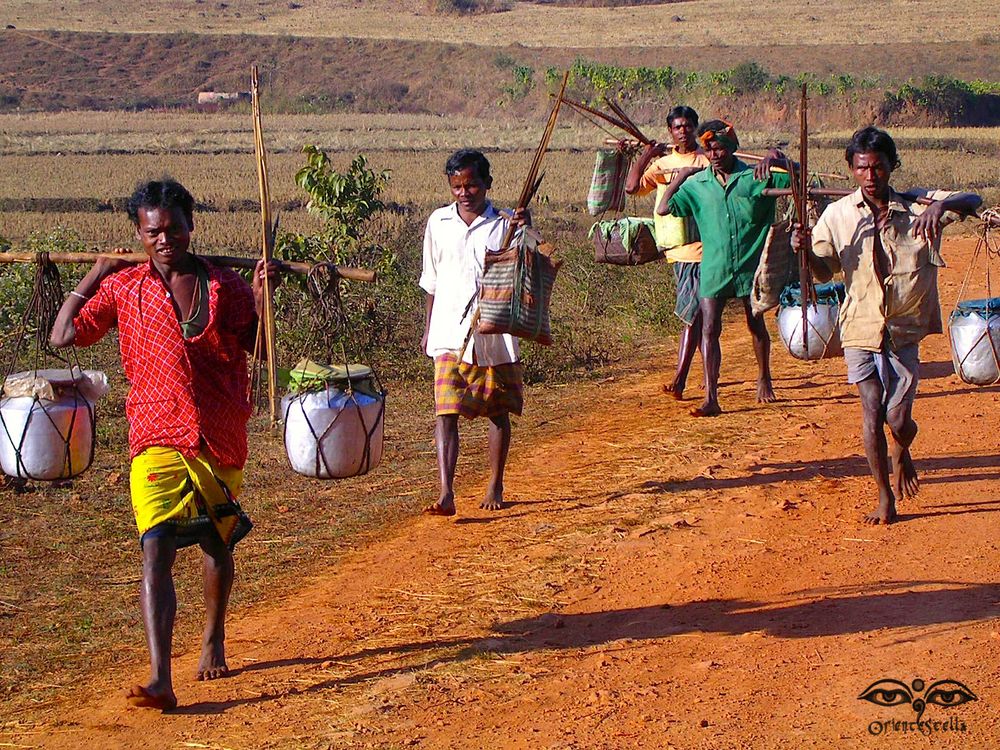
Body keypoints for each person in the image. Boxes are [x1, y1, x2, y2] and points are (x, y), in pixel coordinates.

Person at [49, 179, 280, 710]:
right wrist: (96, 273)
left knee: (215, 545)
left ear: (191, 227)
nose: (165, 240)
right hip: (155, 434)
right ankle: (160, 676)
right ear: (139, 233)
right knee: (155, 547)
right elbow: (63, 336)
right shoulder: (124, 288)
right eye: (154, 232)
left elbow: (261, 352)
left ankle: (213, 638)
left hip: (219, 433)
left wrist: (264, 299)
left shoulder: (225, 286)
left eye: (174, 229)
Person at [792, 126, 981, 524]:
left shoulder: (918, 207)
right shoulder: (838, 215)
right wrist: (804, 250)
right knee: (871, 410)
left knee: (898, 419)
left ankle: (901, 448)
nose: (870, 176)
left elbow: (972, 199)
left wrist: (936, 208)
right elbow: (824, 272)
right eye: (862, 168)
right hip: (860, 325)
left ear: (892, 166)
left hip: (904, 328)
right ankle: (883, 497)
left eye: (878, 167)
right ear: (852, 169)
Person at [656, 120, 790, 416]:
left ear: (732, 148)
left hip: (749, 265)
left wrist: (778, 158)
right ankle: (711, 397)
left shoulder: (755, 176)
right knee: (709, 328)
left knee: (755, 324)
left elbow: (799, 182)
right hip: (714, 266)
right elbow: (664, 208)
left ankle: (764, 377)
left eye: (719, 147)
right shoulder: (698, 185)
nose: (714, 154)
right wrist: (681, 177)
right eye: (709, 149)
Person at [419, 149, 527, 516]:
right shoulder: (438, 222)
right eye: (457, 186)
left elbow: (533, 263)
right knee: (445, 411)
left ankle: (495, 482)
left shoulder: (507, 223)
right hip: (448, 331)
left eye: (472, 185)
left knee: (497, 412)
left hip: (492, 332)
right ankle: (446, 491)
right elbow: (431, 281)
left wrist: (526, 228)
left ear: (487, 185)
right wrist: (428, 328)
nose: (465, 193)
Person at [624, 105, 710, 400]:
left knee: (693, 315)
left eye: (688, 125)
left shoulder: (707, 160)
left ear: (696, 127)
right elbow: (632, 187)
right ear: (670, 131)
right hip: (676, 248)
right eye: (677, 127)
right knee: (699, 316)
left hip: (704, 247)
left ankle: (680, 379)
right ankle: (708, 377)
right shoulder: (664, 165)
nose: (683, 131)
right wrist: (648, 154)